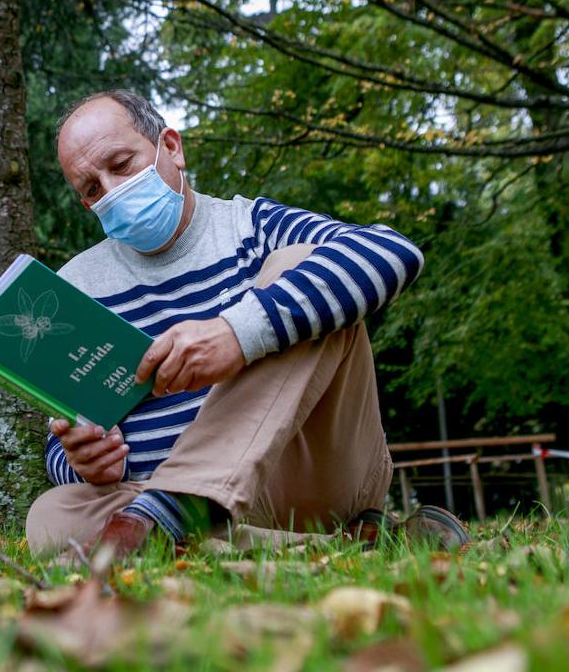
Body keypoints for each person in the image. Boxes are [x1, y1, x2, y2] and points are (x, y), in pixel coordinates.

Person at [24, 90, 468, 559]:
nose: (111, 190)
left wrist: (239, 333)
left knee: (305, 265)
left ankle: (180, 514)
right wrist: (82, 463)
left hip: (298, 481)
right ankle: (346, 548)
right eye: (92, 189)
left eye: (121, 164)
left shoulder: (251, 225)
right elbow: (65, 435)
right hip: (142, 501)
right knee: (50, 517)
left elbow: (390, 252)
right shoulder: (76, 286)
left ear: (171, 147)